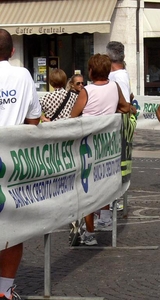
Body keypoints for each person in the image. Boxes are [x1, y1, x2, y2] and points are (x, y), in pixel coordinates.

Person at [70, 53, 133, 245]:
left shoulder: (86, 91)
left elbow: (73, 117)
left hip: (87, 145)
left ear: (90, 71)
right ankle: (104, 217)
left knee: (86, 188)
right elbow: (124, 107)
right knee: (102, 184)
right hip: (108, 145)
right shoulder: (114, 87)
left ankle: (89, 232)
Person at [0, 28, 41, 300]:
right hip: (11, 161)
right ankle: (5, 289)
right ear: (12, 51)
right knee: (11, 229)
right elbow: (34, 118)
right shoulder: (23, 74)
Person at [105, 41, 137, 214]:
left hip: (119, 126)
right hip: (120, 125)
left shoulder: (118, 77)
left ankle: (117, 200)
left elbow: (123, 104)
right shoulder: (120, 74)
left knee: (119, 164)